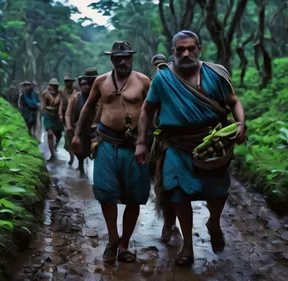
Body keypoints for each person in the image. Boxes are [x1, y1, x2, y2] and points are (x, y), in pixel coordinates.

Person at [135, 30, 247, 266]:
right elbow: (147, 109)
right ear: (173, 51)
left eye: (190, 48)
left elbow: (233, 101)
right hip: (175, 145)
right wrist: (142, 142)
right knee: (177, 193)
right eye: (180, 49)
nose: (186, 53)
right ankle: (187, 245)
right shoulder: (163, 78)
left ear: (199, 49)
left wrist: (241, 124)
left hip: (212, 144)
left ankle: (213, 223)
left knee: (218, 192)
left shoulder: (215, 74)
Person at [72, 41, 151, 264]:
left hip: (135, 144)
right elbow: (88, 107)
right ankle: (113, 239)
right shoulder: (101, 81)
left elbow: (153, 109)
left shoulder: (144, 81)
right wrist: (78, 134)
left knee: (134, 197)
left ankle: (125, 243)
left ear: (132, 58)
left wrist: (147, 140)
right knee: (106, 193)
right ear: (111, 59)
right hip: (106, 142)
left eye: (126, 57)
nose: (122, 61)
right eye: (118, 57)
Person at [149, 54, 182, 243]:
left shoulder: (178, 80)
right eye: (156, 66)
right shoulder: (152, 83)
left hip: (180, 136)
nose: (159, 68)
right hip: (160, 138)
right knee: (161, 182)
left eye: (162, 65)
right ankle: (168, 223)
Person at [65, 67, 100, 175]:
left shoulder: (100, 97)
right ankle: (81, 170)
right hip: (80, 130)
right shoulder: (75, 97)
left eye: (88, 84)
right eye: (83, 84)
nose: (86, 86)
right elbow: (68, 113)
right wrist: (69, 127)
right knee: (80, 152)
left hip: (95, 131)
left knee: (96, 152)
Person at [41, 78, 65, 161]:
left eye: (55, 86)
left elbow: (61, 105)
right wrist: (48, 109)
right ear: (49, 86)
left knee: (59, 135)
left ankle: (56, 145)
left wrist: (60, 113)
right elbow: (43, 106)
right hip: (48, 116)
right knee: (50, 134)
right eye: (52, 85)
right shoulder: (45, 93)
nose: (54, 87)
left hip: (57, 117)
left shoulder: (60, 94)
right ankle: (52, 155)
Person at [60, 73, 78, 165]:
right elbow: (60, 104)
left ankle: (81, 159)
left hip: (76, 117)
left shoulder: (76, 92)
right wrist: (60, 114)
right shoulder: (62, 92)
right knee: (68, 138)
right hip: (66, 118)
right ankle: (71, 157)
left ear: (71, 82)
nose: (67, 82)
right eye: (65, 81)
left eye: (68, 81)